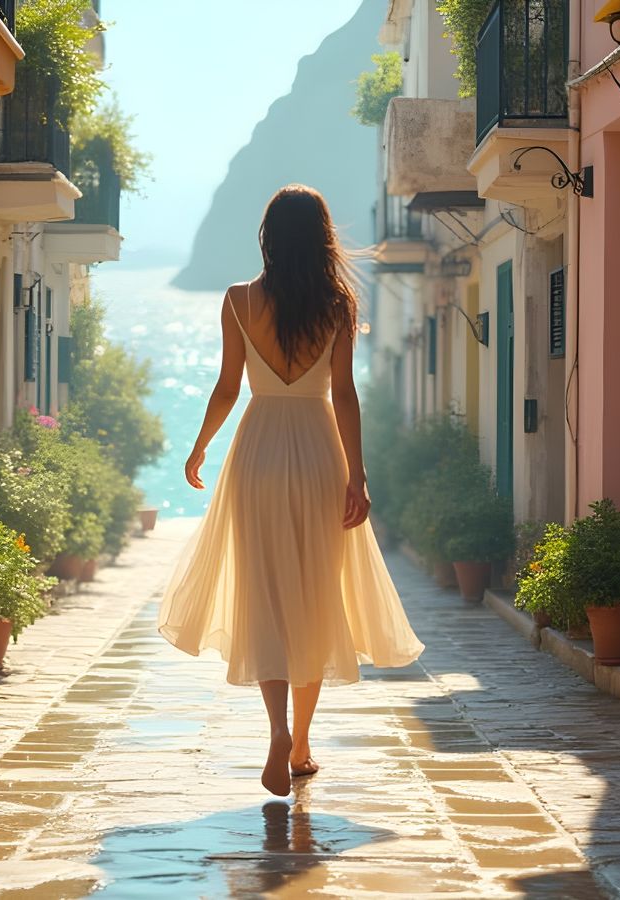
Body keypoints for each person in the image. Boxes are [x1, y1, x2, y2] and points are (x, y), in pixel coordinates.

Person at [156, 184, 425, 797]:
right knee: (314, 598)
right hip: (317, 454)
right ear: (322, 236)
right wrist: (358, 475)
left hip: (255, 453)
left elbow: (228, 387)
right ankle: (302, 743)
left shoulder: (238, 300)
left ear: (269, 237)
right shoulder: (336, 304)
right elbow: (346, 396)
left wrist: (199, 446)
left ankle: (276, 729)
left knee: (265, 595)